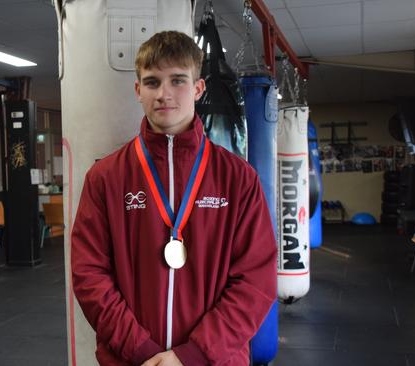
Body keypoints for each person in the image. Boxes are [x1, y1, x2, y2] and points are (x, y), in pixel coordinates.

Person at [71, 31, 277, 366]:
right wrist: (141, 351)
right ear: (138, 91)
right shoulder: (105, 177)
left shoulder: (238, 179)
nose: (164, 94)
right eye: (152, 82)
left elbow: (255, 281)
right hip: (132, 360)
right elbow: (89, 275)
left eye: (178, 80)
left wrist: (192, 355)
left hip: (213, 360)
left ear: (198, 88)